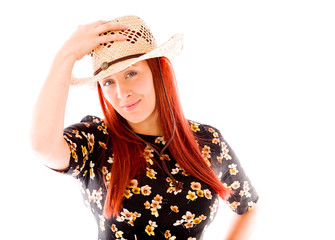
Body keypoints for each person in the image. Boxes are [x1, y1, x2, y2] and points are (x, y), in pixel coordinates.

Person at [31, 15, 259, 240]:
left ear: (157, 71)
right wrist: (66, 54)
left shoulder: (206, 141)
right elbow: (43, 145)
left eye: (131, 73)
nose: (122, 93)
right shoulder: (96, 141)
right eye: (108, 82)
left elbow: (248, 207)